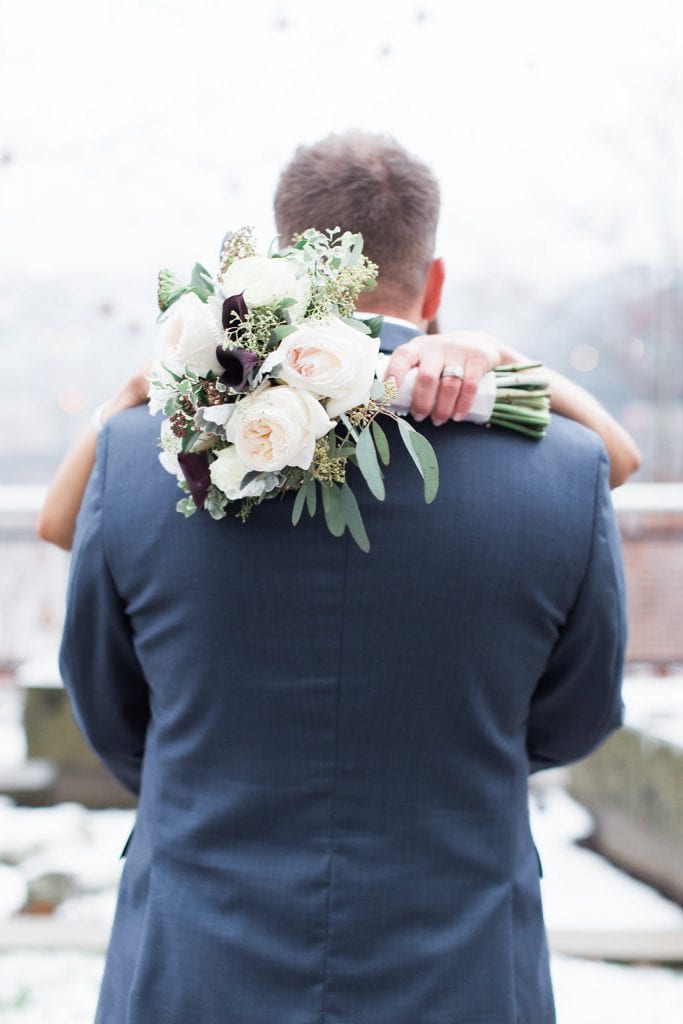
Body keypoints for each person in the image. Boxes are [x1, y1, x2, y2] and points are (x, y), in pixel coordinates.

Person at [59, 132, 628, 1024]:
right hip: (460, 966)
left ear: (279, 267)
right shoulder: (562, 470)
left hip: (196, 965)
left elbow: (108, 706)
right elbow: (578, 714)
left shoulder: (141, 457)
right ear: (431, 283)